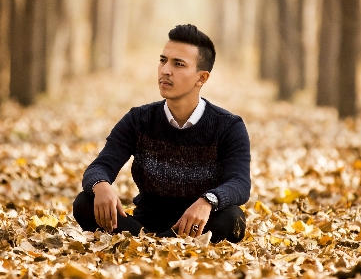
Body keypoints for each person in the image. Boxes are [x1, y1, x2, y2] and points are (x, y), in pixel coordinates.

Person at [73, 24, 250, 243]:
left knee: (232, 218)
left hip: (197, 225)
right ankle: (154, 242)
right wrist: (101, 185)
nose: (165, 70)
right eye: (163, 60)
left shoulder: (228, 126)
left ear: (202, 78)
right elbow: (100, 166)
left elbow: (240, 183)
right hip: (142, 224)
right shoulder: (139, 119)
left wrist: (208, 201)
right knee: (84, 202)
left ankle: (149, 243)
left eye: (178, 64)